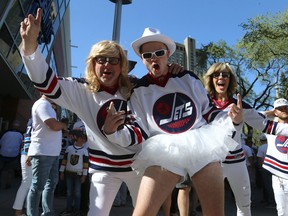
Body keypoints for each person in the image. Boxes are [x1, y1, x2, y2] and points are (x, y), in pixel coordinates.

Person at [20, 9, 183, 216]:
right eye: (101, 59)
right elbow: (45, 83)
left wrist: (175, 73)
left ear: (122, 65)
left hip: (137, 165)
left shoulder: (137, 88)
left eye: (114, 60)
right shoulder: (80, 90)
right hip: (103, 169)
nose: (107, 64)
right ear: (92, 64)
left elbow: (164, 88)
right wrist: (30, 47)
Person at [104, 27, 244, 216]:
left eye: (159, 53)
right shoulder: (138, 90)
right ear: (142, 59)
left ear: (168, 54)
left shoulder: (187, 77)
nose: (154, 58)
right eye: (147, 55)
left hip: (201, 143)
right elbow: (139, 129)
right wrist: (113, 133)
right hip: (163, 149)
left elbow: (209, 111)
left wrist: (232, 120)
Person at [203, 62, 288, 216]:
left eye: (225, 75)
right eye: (217, 74)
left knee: (244, 206)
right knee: (212, 208)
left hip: (237, 162)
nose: (221, 77)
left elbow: (267, 126)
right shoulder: (202, 103)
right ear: (211, 79)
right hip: (212, 163)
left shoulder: (240, 105)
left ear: (230, 80)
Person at [26, 94, 67, 216]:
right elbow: (53, 125)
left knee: (50, 185)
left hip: (51, 153)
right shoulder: (42, 104)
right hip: (43, 153)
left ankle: (48, 212)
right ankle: (32, 213)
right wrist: (63, 125)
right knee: (38, 187)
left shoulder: (49, 106)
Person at [263, 98, 288, 216]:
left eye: (286, 107)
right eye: (280, 108)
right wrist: (270, 112)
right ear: (275, 111)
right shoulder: (270, 128)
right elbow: (252, 117)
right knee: (282, 211)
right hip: (278, 175)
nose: (284, 110)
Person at [59, 127, 89, 216]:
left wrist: (84, 175)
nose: (83, 140)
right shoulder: (69, 148)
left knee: (77, 193)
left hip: (78, 174)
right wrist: (61, 171)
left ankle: (76, 210)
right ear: (77, 138)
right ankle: (68, 209)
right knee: (69, 192)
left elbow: (85, 164)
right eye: (82, 138)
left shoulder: (84, 151)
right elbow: (64, 160)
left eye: (84, 139)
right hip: (69, 173)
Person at [12, 118, 33, 216]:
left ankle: (25, 208)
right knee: (26, 184)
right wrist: (29, 154)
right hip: (28, 155)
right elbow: (29, 138)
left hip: (27, 154)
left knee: (28, 184)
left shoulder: (31, 120)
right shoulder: (34, 120)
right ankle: (18, 211)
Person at [0, 120, 23, 189]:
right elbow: (21, 145)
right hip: (13, 155)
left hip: (3, 153)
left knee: (1, 169)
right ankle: (8, 183)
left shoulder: (6, 133)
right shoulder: (20, 135)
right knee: (10, 170)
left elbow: (1, 143)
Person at [257, 133, 275, 207]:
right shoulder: (272, 146)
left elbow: (260, 159)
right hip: (273, 168)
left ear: (261, 140)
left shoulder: (261, 148)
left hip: (265, 168)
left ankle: (271, 202)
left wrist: (260, 168)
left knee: (268, 185)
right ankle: (271, 200)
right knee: (272, 185)